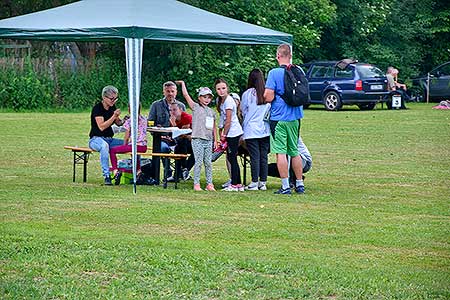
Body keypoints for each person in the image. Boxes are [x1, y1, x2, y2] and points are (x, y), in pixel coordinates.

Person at [263, 44, 305, 195]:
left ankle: (285, 186)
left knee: (280, 152)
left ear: (278, 56)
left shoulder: (274, 73)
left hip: (279, 117)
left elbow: (268, 96)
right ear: (290, 56)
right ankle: (299, 184)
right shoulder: (299, 70)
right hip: (296, 116)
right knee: (294, 151)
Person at [176, 80, 217, 191]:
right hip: (197, 139)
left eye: (209, 97)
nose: (206, 99)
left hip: (208, 140)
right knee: (198, 162)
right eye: (204, 97)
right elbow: (186, 95)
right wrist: (183, 84)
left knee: (208, 162)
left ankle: (209, 184)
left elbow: (214, 127)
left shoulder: (211, 112)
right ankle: (196, 184)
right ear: (199, 98)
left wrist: (215, 141)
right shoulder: (195, 107)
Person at [240, 68, 271, 191]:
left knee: (255, 156)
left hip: (251, 129)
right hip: (264, 129)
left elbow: (243, 111)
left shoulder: (247, 94)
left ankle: (254, 181)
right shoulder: (267, 93)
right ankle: (262, 182)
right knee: (264, 156)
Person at [148, 81, 186, 177]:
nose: (170, 94)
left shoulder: (181, 106)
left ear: (176, 92)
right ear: (163, 92)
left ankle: (180, 171)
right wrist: (156, 129)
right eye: (168, 91)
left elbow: (185, 125)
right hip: (162, 138)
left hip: (177, 138)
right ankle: (167, 170)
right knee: (162, 148)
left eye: (172, 91)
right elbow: (150, 123)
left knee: (185, 147)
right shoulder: (156, 105)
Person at [88, 85, 124, 185]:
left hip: (110, 139)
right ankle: (107, 176)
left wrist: (124, 120)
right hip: (96, 139)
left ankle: (134, 172)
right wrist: (114, 116)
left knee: (130, 144)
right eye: (112, 99)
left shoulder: (113, 107)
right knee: (104, 146)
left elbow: (118, 123)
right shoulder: (97, 109)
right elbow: (102, 127)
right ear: (104, 97)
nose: (114, 101)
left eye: (115, 99)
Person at [216, 78, 244, 192]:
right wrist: (220, 129)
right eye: (218, 89)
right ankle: (237, 183)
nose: (221, 91)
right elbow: (222, 120)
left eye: (223, 88)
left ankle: (235, 184)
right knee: (231, 157)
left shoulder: (229, 101)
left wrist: (224, 135)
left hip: (233, 133)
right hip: (229, 132)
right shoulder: (221, 101)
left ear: (227, 88)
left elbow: (228, 120)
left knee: (232, 158)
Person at [109, 104, 148, 185]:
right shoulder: (144, 119)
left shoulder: (130, 121)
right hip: (143, 146)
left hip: (135, 145)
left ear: (130, 109)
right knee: (134, 154)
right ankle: (138, 171)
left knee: (112, 150)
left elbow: (126, 137)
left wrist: (125, 145)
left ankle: (115, 171)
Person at [167, 102, 194, 181]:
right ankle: (182, 172)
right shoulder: (175, 119)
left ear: (181, 110)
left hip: (195, 142)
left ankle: (182, 171)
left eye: (174, 110)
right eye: (170, 110)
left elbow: (183, 132)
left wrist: (173, 124)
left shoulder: (186, 117)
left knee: (182, 144)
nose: (172, 112)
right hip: (185, 144)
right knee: (179, 148)